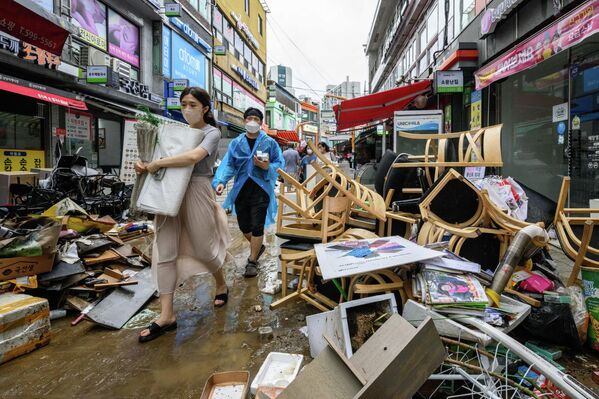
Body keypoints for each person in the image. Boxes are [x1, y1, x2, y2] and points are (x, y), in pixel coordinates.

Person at [135, 87, 230, 343]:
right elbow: (156, 157)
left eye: (193, 104)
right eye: (183, 104)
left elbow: (194, 156)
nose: (187, 109)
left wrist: (159, 163)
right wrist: (145, 165)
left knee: (203, 247)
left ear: (205, 108)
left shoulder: (211, 132)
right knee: (165, 250)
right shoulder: (172, 132)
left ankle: (220, 283)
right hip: (167, 189)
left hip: (197, 190)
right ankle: (167, 315)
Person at [213, 108, 284, 277]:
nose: (252, 121)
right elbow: (229, 164)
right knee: (244, 226)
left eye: (256, 119)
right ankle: (258, 247)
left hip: (261, 189)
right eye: (249, 118)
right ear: (244, 121)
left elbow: (278, 162)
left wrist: (268, 167)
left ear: (261, 123)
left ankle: (252, 261)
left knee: (257, 225)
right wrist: (221, 181)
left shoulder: (269, 143)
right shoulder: (236, 143)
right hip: (241, 189)